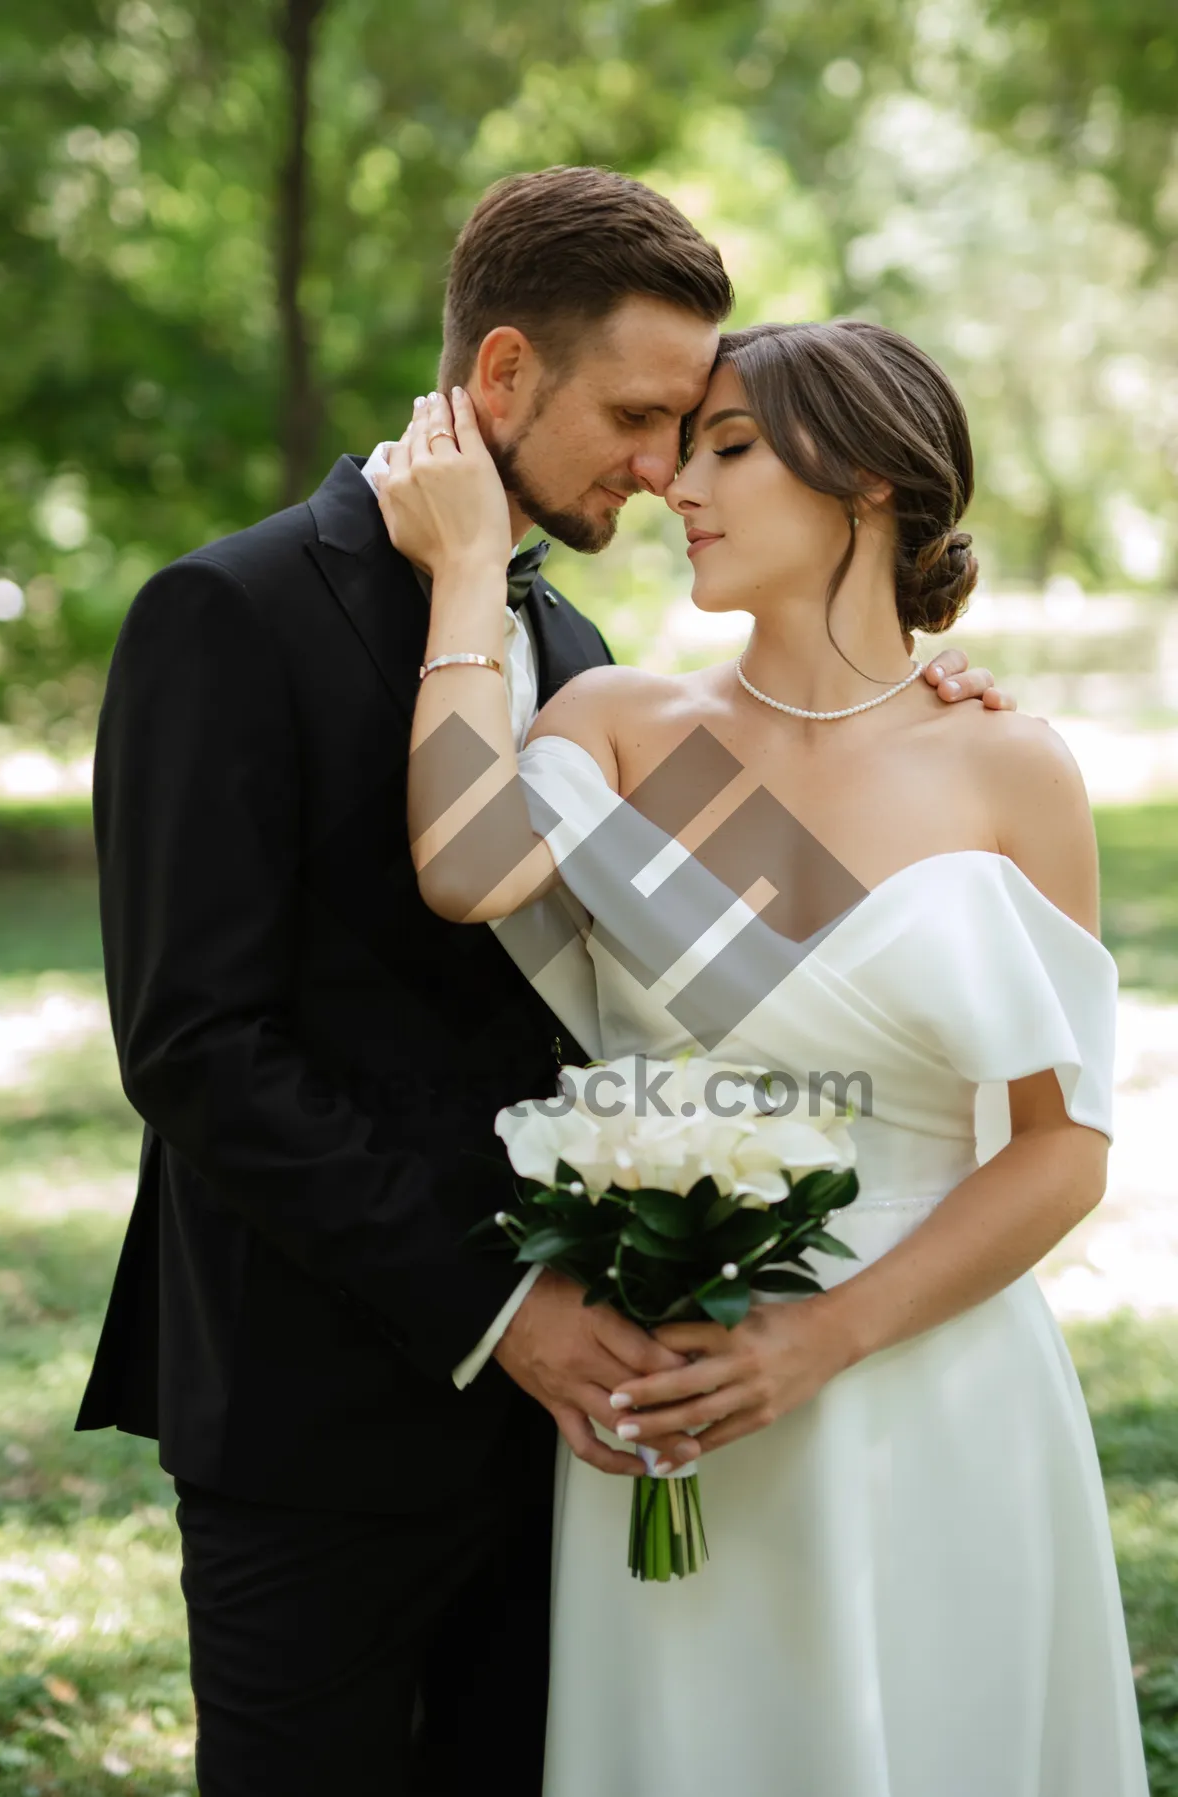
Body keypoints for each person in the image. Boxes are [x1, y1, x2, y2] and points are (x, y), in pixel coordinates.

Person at [78, 164, 1006, 1796]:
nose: (662, 473)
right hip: (319, 1421)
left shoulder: (574, 660)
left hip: (570, 1446)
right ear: (502, 375)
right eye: (643, 418)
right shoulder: (223, 616)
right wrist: (504, 1309)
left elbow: (800, 944)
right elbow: (196, 1046)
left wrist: (927, 715)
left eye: (691, 435)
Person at [376, 321, 1148, 1796]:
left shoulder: (1009, 765)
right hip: (670, 1380)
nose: (676, 482)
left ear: (864, 480)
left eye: (728, 446)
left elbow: (1064, 1149)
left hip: (929, 1376)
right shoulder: (619, 723)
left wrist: (825, 1336)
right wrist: (469, 574)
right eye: (684, 448)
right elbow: (466, 870)